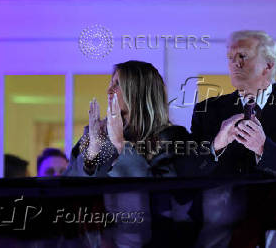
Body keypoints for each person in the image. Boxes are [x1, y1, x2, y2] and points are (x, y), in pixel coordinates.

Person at [64, 60, 192, 247]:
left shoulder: (173, 138)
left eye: (117, 84)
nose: (109, 90)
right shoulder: (96, 133)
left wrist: (121, 146)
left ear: (138, 92)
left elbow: (164, 201)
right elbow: (67, 190)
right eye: (110, 83)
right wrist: (92, 153)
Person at [191, 30, 276, 176]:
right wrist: (215, 147)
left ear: (268, 65)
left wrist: (264, 148)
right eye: (230, 58)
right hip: (220, 199)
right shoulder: (206, 110)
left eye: (243, 56)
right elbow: (187, 172)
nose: (235, 63)